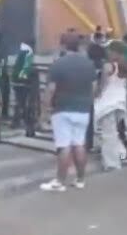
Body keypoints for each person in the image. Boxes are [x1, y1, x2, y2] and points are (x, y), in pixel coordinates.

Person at [41, 38, 97, 192]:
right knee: (79, 144)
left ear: (64, 46)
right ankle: (80, 179)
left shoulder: (58, 64)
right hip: (83, 109)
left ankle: (60, 181)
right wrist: (88, 102)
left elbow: (51, 89)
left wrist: (44, 112)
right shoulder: (88, 64)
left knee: (64, 145)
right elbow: (94, 87)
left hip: (63, 109)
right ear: (78, 47)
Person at [94, 42, 127, 171]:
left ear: (114, 51)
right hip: (119, 101)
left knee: (108, 134)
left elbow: (102, 86)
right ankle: (122, 154)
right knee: (113, 132)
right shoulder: (124, 66)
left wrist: (95, 95)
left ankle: (112, 163)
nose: (107, 52)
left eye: (109, 50)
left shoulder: (108, 66)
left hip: (108, 102)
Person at [11, 38, 37, 136]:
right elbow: (26, 68)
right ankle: (28, 127)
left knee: (19, 103)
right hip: (23, 83)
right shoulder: (28, 52)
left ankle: (15, 121)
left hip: (16, 81)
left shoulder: (21, 51)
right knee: (26, 105)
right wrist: (28, 78)